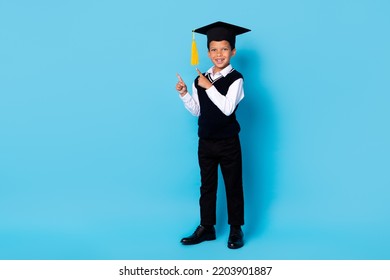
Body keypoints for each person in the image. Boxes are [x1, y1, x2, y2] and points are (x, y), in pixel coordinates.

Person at [176, 21, 250, 249]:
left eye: (224, 49)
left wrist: (209, 87)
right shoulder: (200, 78)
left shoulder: (236, 79)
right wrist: (185, 94)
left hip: (228, 142)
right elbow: (198, 111)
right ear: (208, 53)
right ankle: (206, 227)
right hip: (206, 142)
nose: (219, 54)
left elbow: (227, 108)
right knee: (207, 186)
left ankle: (235, 228)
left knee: (233, 184)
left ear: (233, 51)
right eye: (214, 50)